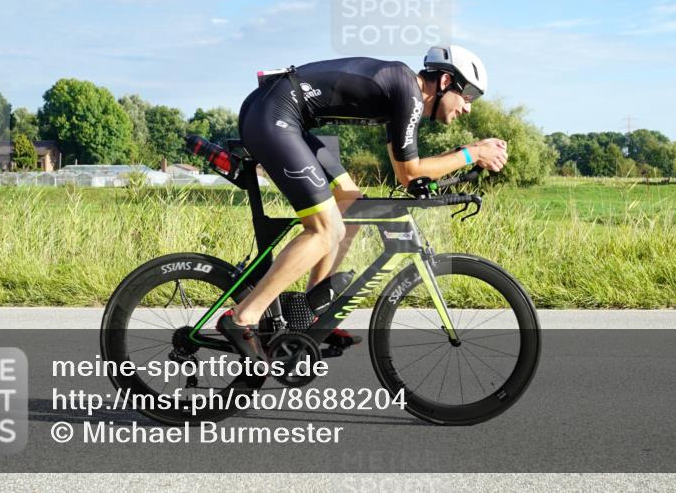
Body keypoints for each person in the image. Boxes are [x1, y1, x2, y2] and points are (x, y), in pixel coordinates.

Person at [217, 45, 508, 360]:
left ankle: (311, 314)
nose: (468, 108)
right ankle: (243, 317)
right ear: (445, 81)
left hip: (283, 115)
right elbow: (410, 174)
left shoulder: (402, 94)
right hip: (274, 115)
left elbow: (404, 173)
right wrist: (471, 154)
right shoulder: (408, 92)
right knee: (325, 230)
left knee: (353, 206)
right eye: (467, 97)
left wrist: (466, 154)